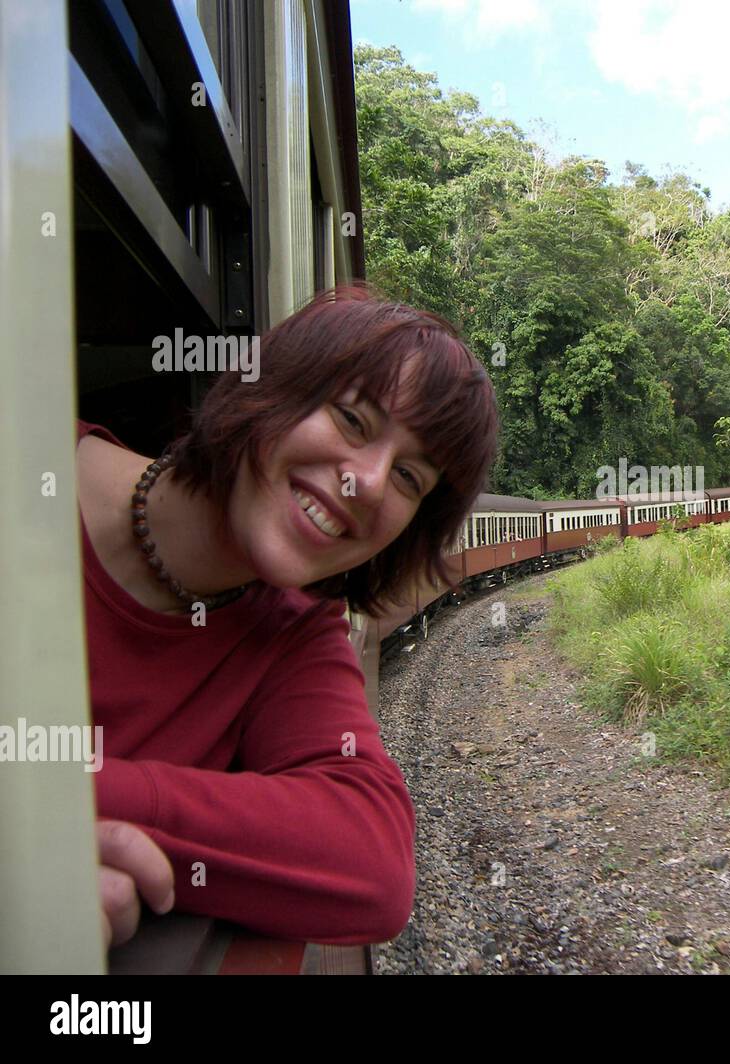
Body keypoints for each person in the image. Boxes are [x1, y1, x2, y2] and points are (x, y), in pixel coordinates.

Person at [78, 285, 497, 949]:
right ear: (270, 384)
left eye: (410, 479)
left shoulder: (293, 638)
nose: (366, 482)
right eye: (354, 420)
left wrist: (69, 808)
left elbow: (372, 866)